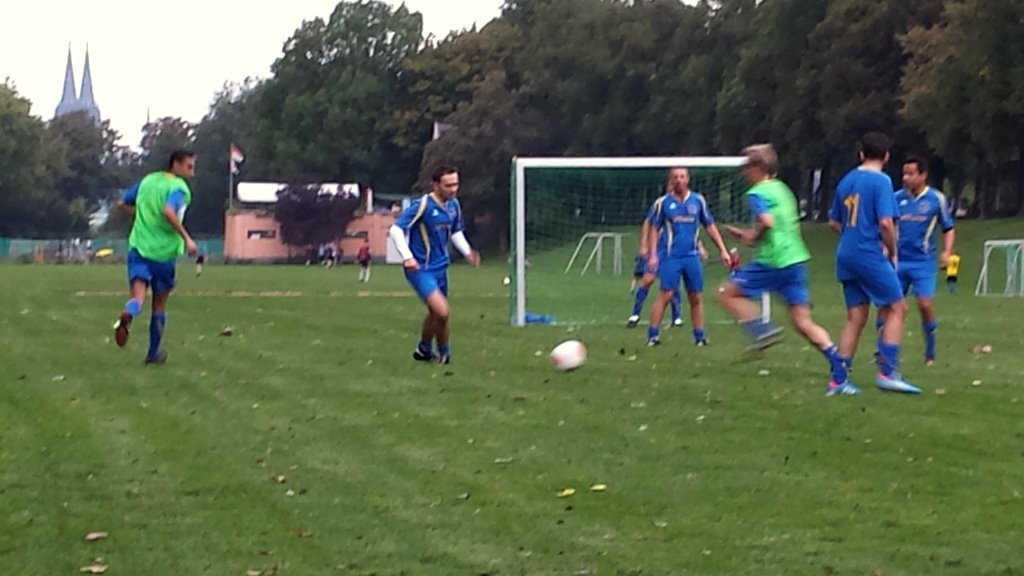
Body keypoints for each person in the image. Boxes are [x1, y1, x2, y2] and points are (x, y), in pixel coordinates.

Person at [716, 144, 849, 392]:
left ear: (758, 166)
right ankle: (838, 369)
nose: (743, 172)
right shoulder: (783, 189)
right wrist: (748, 235)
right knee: (802, 322)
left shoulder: (757, 192)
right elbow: (780, 224)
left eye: (746, 166)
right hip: (795, 260)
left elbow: (767, 222)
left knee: (725, 293)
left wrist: (753, 237)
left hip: (773, 260)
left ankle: (761, 329)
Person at [829, 132, 920, 395]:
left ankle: (838, 380)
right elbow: (886, 222)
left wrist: (852, 235)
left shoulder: (846, 180)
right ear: (886, 156)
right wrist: (892, 251)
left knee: (855, 317)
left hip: (845, 253)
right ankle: (888, 373)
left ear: (861, 154)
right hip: (867, 253)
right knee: (897, 307)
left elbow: (834, 221)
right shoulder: (881, 181)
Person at [112, 150, 198, 364]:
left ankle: (129, 311)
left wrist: (141, 214)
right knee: (159, 304)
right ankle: (153, 353)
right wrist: (187, 238)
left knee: (137, 297)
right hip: (163, 253)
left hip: (139, 248)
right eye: (189, 167)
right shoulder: (178, 188)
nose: (192, 172)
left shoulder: (147, 181)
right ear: (175, 164)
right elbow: (169, 211)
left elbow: (122, 203)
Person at [389, 165, 480, 364]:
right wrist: (407, 257)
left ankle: (424, 350)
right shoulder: (423, 205)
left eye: (456, 184)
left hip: (441, 268)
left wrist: (467, 251)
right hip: (420, 269)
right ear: (436, 185)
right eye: (448, 185)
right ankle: (444, 352)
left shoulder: (454, 205)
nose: (453, 189)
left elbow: (455, 231)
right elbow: (396, 230)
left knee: (435, 314)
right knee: (442, 312)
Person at [876, 156, 955, 366]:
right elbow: (885, 225)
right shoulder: (896, 198)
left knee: (924, 304)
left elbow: (948, 228)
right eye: (904, 173)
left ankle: (930, 352)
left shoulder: (936, 199)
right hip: (897, 260)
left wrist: (947, 252)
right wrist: (884, 247)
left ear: (923, 175)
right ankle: (882, 351)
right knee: (887, 304)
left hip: (923, 262)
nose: (905, 178)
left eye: (911, 173)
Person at [645, 167, 731, 347]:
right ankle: (653, 335)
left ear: (688, 179)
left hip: (692, 256)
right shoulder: (663, 203)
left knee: (695, 297)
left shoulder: (698, 201)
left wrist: (723, 250)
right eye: (675, 177)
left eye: (682, 176)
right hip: (671, 256)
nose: (679, 180)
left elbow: (709, 226)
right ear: (671, 180)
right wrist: (653, 254)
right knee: (666, 294)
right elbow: (653, 228)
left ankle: (699, 337)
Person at [628, 216, 683, 329]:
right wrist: (644, 245)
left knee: (672, 285)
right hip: (656, 252)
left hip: (671, 253)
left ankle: (676, 317)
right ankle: (635, 315)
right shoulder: (658, 209)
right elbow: (647, 222)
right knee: (647, 280)